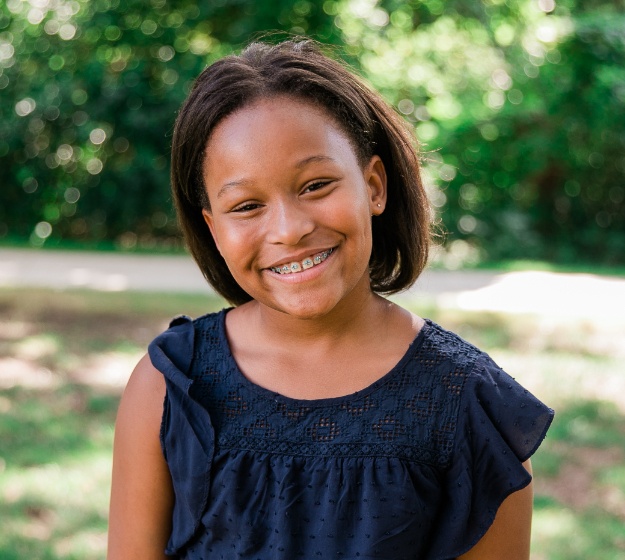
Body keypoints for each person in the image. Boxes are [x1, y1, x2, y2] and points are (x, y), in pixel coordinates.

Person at [107, 38, 554, 560]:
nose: (290, 229)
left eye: (317, 185)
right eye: (247, 205)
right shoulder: (169, 387)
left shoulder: (473, 410)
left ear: (374, 186)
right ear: (212, 230)